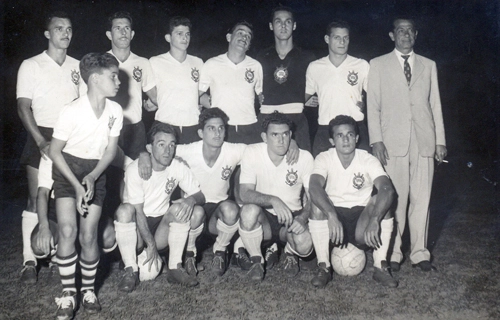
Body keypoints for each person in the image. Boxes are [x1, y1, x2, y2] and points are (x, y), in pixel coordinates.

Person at [367, 18, 447, 273]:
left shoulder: (428, 65)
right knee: (396, 200)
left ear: (415, 35)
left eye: (409, 31)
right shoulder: (377, 64)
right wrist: (376, 139)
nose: (405, 35)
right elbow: (373, 106)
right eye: (400, 31)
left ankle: (420, 253)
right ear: (392, 35)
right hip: (392, 142)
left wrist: (440, 141)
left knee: (422, 198)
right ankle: (393, 252)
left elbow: (435, 105)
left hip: (424, 140)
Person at [48, 52, 123, 319]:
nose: (118, 81)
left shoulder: (115, 111)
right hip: (68, 169)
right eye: (112, 76)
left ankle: (88, 290)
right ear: (94, 79)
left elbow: (110, 152)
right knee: (67, 229)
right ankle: (68, 294)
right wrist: (77, 184)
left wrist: (92, 177)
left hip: (95, 170)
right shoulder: (72, 110)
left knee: (89, 235)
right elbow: (55, 152)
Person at [16, 11, 86, 284]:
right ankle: (29, 262)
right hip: (42, 133)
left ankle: (61, 256)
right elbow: (23, 107)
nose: (65, 33)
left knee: (66, 198)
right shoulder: (31, 64)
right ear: (47, 34)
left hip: (70, 136)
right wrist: (40, 141)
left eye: (69, 29)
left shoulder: (77, 66)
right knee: (37, 197)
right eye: (59, 28)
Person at [114, 122, 205, 293]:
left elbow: (200, 195)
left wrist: (190, 200)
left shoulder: (177, 166)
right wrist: (151, 246)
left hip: (161, 225)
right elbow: (138, 211)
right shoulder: (135, 169)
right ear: (149, 148)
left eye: (172, 145)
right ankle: (130, 270)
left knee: (180, 208)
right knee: (124, 210)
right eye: (161, 144)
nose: (167, 150)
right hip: (138, 225)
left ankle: (174, 268)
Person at [308, 115, 397, 288]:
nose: (346, 139)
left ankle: (380, 267)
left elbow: (387, 189)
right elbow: (314, 187)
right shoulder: (324, 158)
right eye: (340, 135)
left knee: (382, 203)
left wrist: (375, 219)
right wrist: (331, 214)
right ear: (332, 141)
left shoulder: (368, 159)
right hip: (334, 219)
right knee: (317, 206)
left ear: (356, 138)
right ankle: (324, 267)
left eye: (349, 134)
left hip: (361, 219)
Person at [238, 112, 314, 281]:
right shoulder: (252, 152)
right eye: (275, 135)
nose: (281, 140)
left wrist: (303, 217)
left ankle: (288, 251)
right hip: (263, 217)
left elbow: (313, 198)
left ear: (291, 135)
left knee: (305, 245)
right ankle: (257, 259)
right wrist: (273, 200)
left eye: (285, 134)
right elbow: (244, 193)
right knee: (248, 211)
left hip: (291, 217)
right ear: (264, 137)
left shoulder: (305, 157)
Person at [174, 108, 247, 276]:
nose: (217, 133)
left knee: (231, 209)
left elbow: (262, 150)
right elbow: (157, 150)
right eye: (211, 128)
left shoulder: (233, 150)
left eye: (221, 128)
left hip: (218, 213)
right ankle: (190, 253)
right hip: (193, 212)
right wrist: (143, 155)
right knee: (196, 211)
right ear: (201, 132)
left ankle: (220, 251)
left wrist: (292, 142)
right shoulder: (188, 151)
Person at [305, 20, 370, 156]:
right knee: (323, 173)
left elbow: (376, 97)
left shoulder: (361, 65)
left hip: (355, 127)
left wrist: (367, 104)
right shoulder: (315, 67)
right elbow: (303, 97)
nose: (342, 42)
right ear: (327, 39)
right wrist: (305, 101)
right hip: (326, 129)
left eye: (345, 38)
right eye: (337, 37)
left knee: (361, 174)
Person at [257, 6, 316, 152]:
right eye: (278, 22)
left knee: (299, 168)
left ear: (294, 25)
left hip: (297, 120)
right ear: (271, 26)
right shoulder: (261, 57)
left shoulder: (308, 58)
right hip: (266, 118)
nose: (283, 26)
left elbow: (322, 86)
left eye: (288, 22)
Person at [199, 21, 263, 144]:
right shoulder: (212, 64)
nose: (244, 37)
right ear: (229, 37)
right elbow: (196, 94)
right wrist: (213, 105)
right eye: (240, 33)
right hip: (222, 128)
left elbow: (262, 96)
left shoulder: (256, 66)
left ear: (249, 45)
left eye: (248, 36)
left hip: (249, 127)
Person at [106, 11, 157, 160]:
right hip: (108, 127)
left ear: (132, 33)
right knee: (110, 176)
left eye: (127, 28)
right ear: (109, 34)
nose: (123, 32)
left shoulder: (143, 63)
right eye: (118, 28)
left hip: (135, 129)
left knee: (136, 174)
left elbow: (155, 96)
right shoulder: (101, 62)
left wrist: (155, 103)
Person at [149, 16, 204, 144]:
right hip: (165, 124)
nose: (185, 38)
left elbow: (199, 92)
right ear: (168, 38)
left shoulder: (198, 62)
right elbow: (152, 93)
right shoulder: (155, 62)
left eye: (187, 34)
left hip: (192, 125)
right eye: (179, 34)